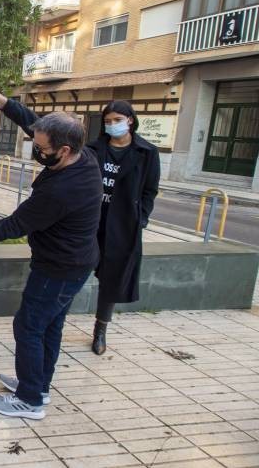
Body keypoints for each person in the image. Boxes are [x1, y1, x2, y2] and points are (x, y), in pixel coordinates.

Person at [0, 85, 101, 421]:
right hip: (73, 263)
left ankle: (30, 400)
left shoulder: (63, 190)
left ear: (62, 149)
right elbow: (33, 122)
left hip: (58, 269)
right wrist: (1, 101)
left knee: (29, 326)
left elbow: (16, 224)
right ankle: (37, 384)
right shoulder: (82, 155)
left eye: (41, 148)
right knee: (50, 326)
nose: (36, 150)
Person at [86, 100, 160, 355]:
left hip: (123, 225)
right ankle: (55, 323)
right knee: (73, 270)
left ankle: (100, 330)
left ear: (130, 120)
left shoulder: (147, 152)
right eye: (107, 121)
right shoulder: (93, 149)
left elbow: (150, 190)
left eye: (117, 119)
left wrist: (142, 218)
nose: (112, 125)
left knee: (112, 279)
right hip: (91, 221)